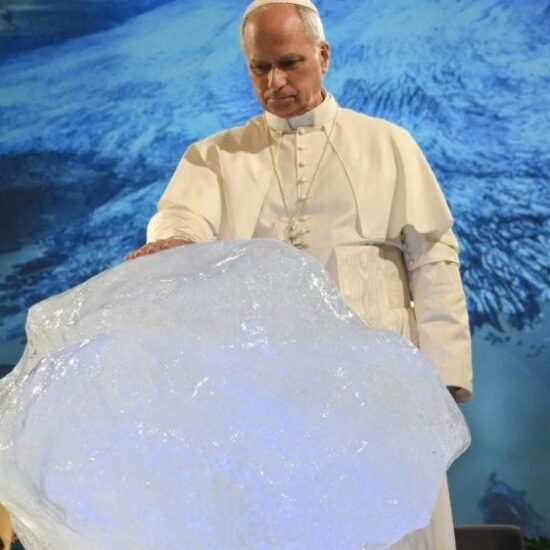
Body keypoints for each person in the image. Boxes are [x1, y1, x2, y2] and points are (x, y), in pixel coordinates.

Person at [127, 0, 473, 547]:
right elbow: (181, 219)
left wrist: (443, 378)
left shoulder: (389, 144)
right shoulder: (215, 157)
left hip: (379, 392)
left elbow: (433, 261)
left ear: (322, 56)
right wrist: (176, 241)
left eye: (290, 63)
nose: (276, 82)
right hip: (270, 398)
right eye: (259, 68)